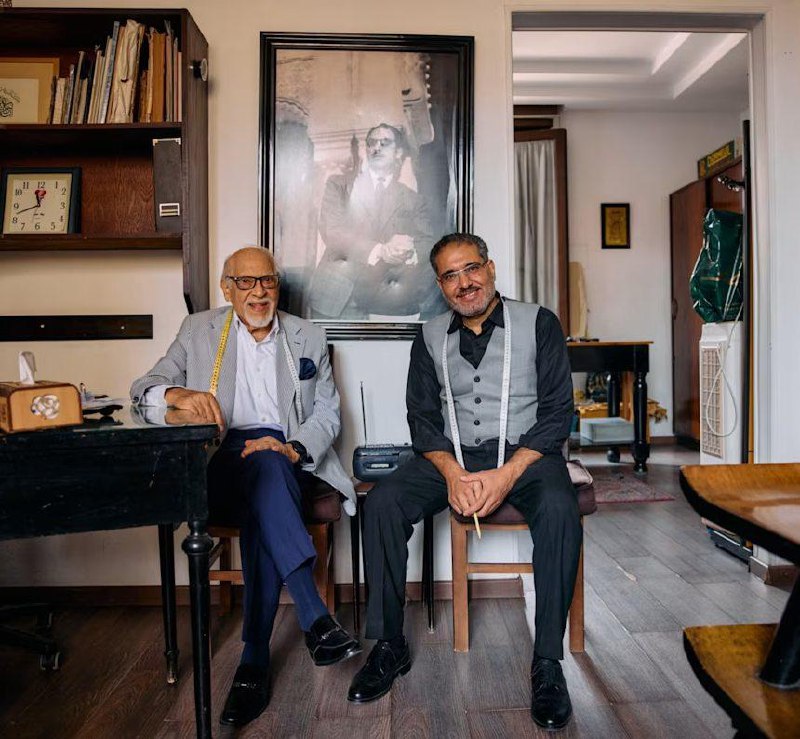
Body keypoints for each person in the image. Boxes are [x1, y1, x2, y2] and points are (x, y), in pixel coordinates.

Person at [349, 233, 580, 731]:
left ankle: (547, 662)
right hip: (451, 455)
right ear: (440, 285)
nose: (464, 282)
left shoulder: (539, 322)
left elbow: (558, 413)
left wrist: (506, 474)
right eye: (450, 275)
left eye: (471, 268)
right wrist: (453, 474)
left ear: (490, 269)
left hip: (527, 454)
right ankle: (389, 644)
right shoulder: (429, 335)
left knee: (560, 509)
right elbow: (422, 418)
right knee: (383, 502)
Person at [130, 246, 361, 728]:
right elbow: (144, 388)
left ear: (278, 285)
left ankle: (253, 662)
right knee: (263, 479)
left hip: (288, 455)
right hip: (220, 457)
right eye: (246, 282)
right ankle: (315, 618)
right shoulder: (198, 331)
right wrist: (177, 393)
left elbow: (327, 414)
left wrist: (293, 448)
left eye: (267, 281)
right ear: (226, 287)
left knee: (268, 475)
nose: (259, 292)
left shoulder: (307, 335)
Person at [311, 123, 441, 319]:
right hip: (336, 296)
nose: (377, 148)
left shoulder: (413, 199)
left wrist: (409, 250)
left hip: (385, 302)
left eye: (385, 143)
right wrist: (380, 250)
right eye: (372, 142)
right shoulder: (339, 185)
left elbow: (428, 241)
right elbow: (332, 230)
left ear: (398, 152)